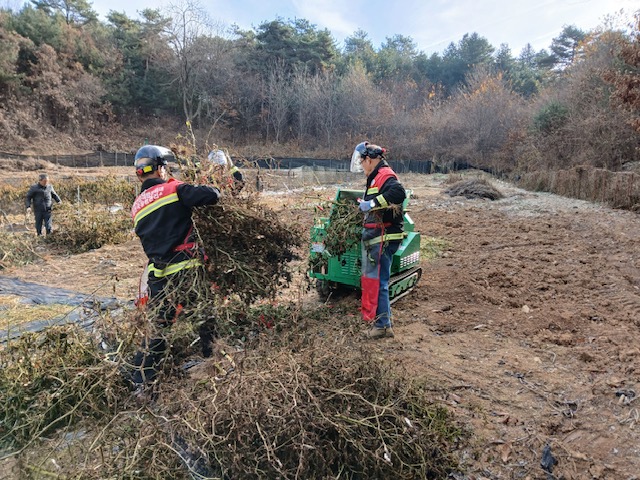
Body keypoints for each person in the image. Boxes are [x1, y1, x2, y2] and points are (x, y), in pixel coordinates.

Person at [130, 145, 221, 387]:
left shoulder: (136, 206)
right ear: (160, 169)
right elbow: (212, 195)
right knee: (204, 315)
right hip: (186, 269)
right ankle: (214, 361)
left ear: (139, 173)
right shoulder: (174, 189)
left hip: (159, 276)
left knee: (159, 328)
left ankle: (141, 380)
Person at [351, 141, 406, 339]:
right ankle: (384, 324)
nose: (362, 165)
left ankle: (382, 326)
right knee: (376, 281)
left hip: (384, 237)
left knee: (379, 281)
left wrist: (372, 203)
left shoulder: (384, 175)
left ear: (371, 159)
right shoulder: (375, 177)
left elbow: (399, 193)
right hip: (378, 237)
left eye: (362, 161)